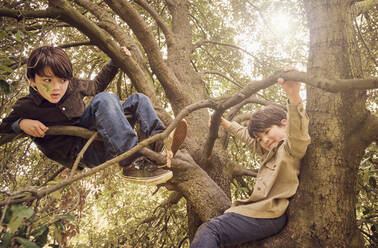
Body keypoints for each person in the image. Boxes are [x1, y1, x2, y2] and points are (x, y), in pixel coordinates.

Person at [0, 46, 186, 185]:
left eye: (62, 80)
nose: (56, 87)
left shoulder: (73, 86)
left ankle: (159, 143)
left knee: (138, 99)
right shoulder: (27, 106)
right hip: (82, 152)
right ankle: (133, 164)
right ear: (33, 81)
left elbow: (97, 85)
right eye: (47, 80)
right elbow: (4, 130)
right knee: (104, 99)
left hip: (100, 132)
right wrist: (21, 123)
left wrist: (115, 59)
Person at [190, 74, 311, 247]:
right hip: (261, 213)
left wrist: (294, 97)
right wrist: (225, 124)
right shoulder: (270, 150)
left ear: (285, 124)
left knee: (210, 230)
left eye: (267, 132)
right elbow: (246, 136)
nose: (264, 141)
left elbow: (298, 131)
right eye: (260, 139)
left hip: (268, 215)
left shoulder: (290, 148)